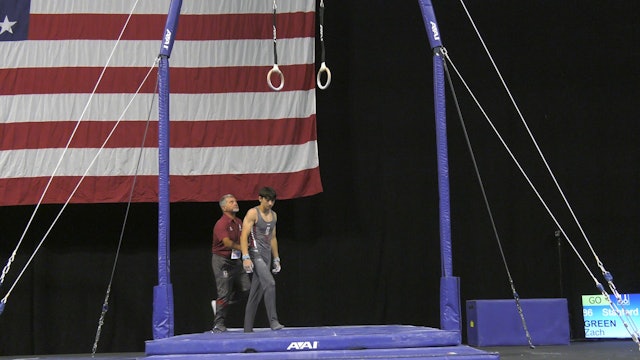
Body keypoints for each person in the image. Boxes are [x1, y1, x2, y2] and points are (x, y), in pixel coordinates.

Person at [240, 186, 284, 332]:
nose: (270, 203)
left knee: (256, 293)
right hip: (255, 254)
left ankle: (247, 328)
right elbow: (244, 236)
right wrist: (246, 257)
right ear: (260, 199)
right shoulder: (253, 213)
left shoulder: (274, 216)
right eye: (267, 200)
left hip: (266, 256)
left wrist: (276, 258)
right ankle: (274, 321)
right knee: (270, 283)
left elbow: (273, 237)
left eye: (272, 201)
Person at [211, 194, 250, 332]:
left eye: (235, 201)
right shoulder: (221, 224)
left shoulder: (239, 222)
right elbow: (227, 243)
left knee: (246, 288)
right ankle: (218, 324)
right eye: (231, 202)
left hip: (235, 260)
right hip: (222, 261)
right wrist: (244, 248)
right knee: (223, 293)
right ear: (224, 207)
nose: (235, 203)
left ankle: (223, 302)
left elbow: (245, 238)